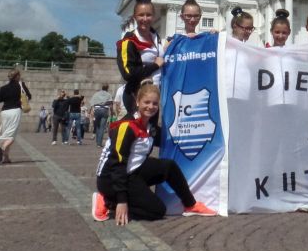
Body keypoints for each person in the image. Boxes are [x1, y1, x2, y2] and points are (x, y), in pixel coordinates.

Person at [93, 82, 216, 223]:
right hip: (110, 179)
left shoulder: (149, 126)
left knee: (168, 166)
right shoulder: (127, 127)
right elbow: (117, 164)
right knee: (157, 211)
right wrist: (122, 200)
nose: (151, 107)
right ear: (137, 102)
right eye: (146, 102)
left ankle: (191, 205)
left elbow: (166, 138)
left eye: (155, 104)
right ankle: (107, 200)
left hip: (133, 171)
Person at [116, 0, 164, 116]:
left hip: (154, 98)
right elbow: (128, 73)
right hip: (137, 97)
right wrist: (155, 66)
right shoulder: (128, 41)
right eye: (141, 15)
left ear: (153, 16)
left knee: (151, 128)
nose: (145, 19)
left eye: (148, 15)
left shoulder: (155, 36)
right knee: (136, 127)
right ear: (134, 17)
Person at [0, 68, 30, 164]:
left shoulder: (4, 88)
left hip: (5, 112)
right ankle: (2, 147)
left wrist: (6, 98)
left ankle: (6, 158)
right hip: (15, 111)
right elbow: (29, 96)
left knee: (6, 134)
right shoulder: (21, 85)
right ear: (17, 76)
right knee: (12, 135)